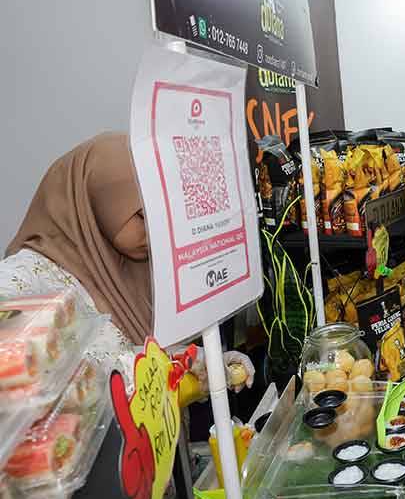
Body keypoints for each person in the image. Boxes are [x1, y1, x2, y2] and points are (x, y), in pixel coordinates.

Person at [2, 133, 254, 388]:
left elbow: (145, 349)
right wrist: (168, 365)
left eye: (164, 219)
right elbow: (32, 379)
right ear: (98, 203)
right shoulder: (24, 280)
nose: (156, 234)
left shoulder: (134, 266)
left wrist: (206, 363)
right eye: (142, 217)